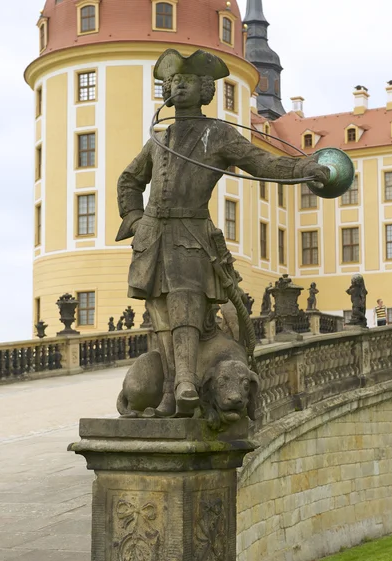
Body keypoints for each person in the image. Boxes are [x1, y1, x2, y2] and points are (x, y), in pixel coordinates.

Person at [116, 48, 330, 417]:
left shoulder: (218, 134)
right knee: (162, 318)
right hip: (153, 238)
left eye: (187, 82)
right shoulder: (160, 140)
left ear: (204, 90)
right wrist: (135, 218)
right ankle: (169, 390)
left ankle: (185, 382)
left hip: (190, 231)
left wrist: (304, 168)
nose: (178, 87)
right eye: (173, 82)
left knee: (185, 304)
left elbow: (261, 161)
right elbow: (129, 180)